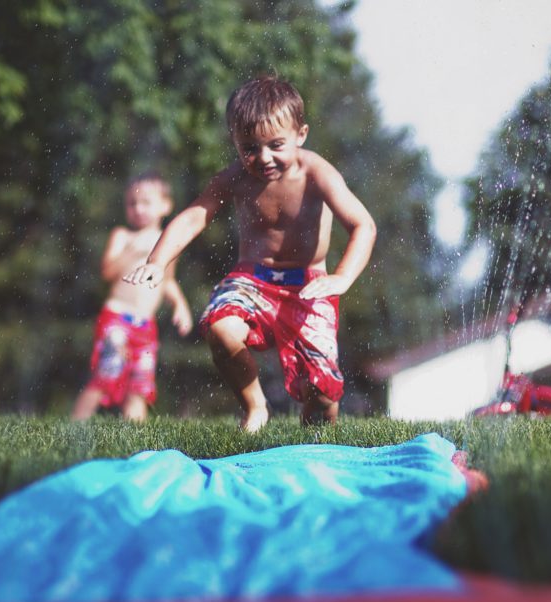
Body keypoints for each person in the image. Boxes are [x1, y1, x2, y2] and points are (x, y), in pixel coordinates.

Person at [125, 76, 377, 432]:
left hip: (309, 286)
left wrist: (342, 277)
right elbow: (196, 215)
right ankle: (256, 407)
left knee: (321, 392)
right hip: (252, 281)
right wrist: (156, 261)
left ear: (300, 134)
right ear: (235, 142)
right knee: (221, 327)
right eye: (250, 148)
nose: (263, 158)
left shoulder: (316, 173)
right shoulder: (235, 179)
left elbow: (363, 225)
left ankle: (313, 436)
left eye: (276, 145)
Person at [72, 173, 193, 421]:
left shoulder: (167, 244)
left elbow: (167, 280)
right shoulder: (123, 236)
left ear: (165, 206)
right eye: (132, 204)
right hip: (116, 316)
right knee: (107, 371)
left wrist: (180, 305)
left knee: (140, 383)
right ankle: (77, 422)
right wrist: (131, 251)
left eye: (146, 203)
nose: (138, 209)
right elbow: (107, 272)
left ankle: (135, 436)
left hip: (145, 324)